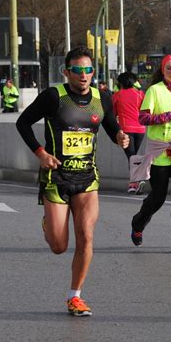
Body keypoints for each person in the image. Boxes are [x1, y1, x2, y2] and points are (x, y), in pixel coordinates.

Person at [16, 47, 129, 317]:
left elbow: (110, 125)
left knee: (86, 236)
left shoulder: (102, 97)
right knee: (58, 246)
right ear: (66, 72)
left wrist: (119, 138)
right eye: (77, 70)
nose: (83, 75)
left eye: (88, 69)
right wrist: (40, 153)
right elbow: (23, 123)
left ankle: (75, 296)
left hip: (87, 179)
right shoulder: (54, 97)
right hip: (56, 177)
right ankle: (49, 222)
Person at [130, 54, 171, 254]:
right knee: (158, 196)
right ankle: (138, 222)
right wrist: (170, 115)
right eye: (169, 68)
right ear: (163, 70)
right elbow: (143, 118)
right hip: (159, 151)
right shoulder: (154, 91)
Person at [112, 71, 146, 194]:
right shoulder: (140, 94)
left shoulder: (117, 95)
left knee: (131, 156)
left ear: (120, 83)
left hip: (126, 129)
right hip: (140, 129)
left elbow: (113, 113)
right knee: (133, 156)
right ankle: (134, 183)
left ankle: (137, 180)